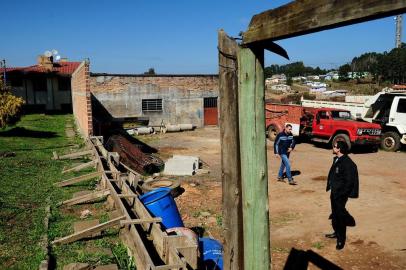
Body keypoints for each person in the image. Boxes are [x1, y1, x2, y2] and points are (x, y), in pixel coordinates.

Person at [325, 140, 359, 250]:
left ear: (339, 149)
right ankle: (336, 232)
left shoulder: (348, 163)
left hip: (340, 194)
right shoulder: (338, 159)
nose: (333, 147)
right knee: (335, 214)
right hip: (334, 192)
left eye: (334, 146)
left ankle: (341, 239)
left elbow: (349, 183)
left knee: (340, 217)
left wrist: (340, 194)